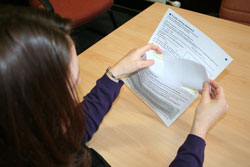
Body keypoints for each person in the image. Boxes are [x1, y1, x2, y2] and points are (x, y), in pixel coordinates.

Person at [0, 5, 228, 167]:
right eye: (71, 80)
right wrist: (199, 131)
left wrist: (115, 73)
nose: (79, 82)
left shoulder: (25, 140)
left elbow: (70, 136)